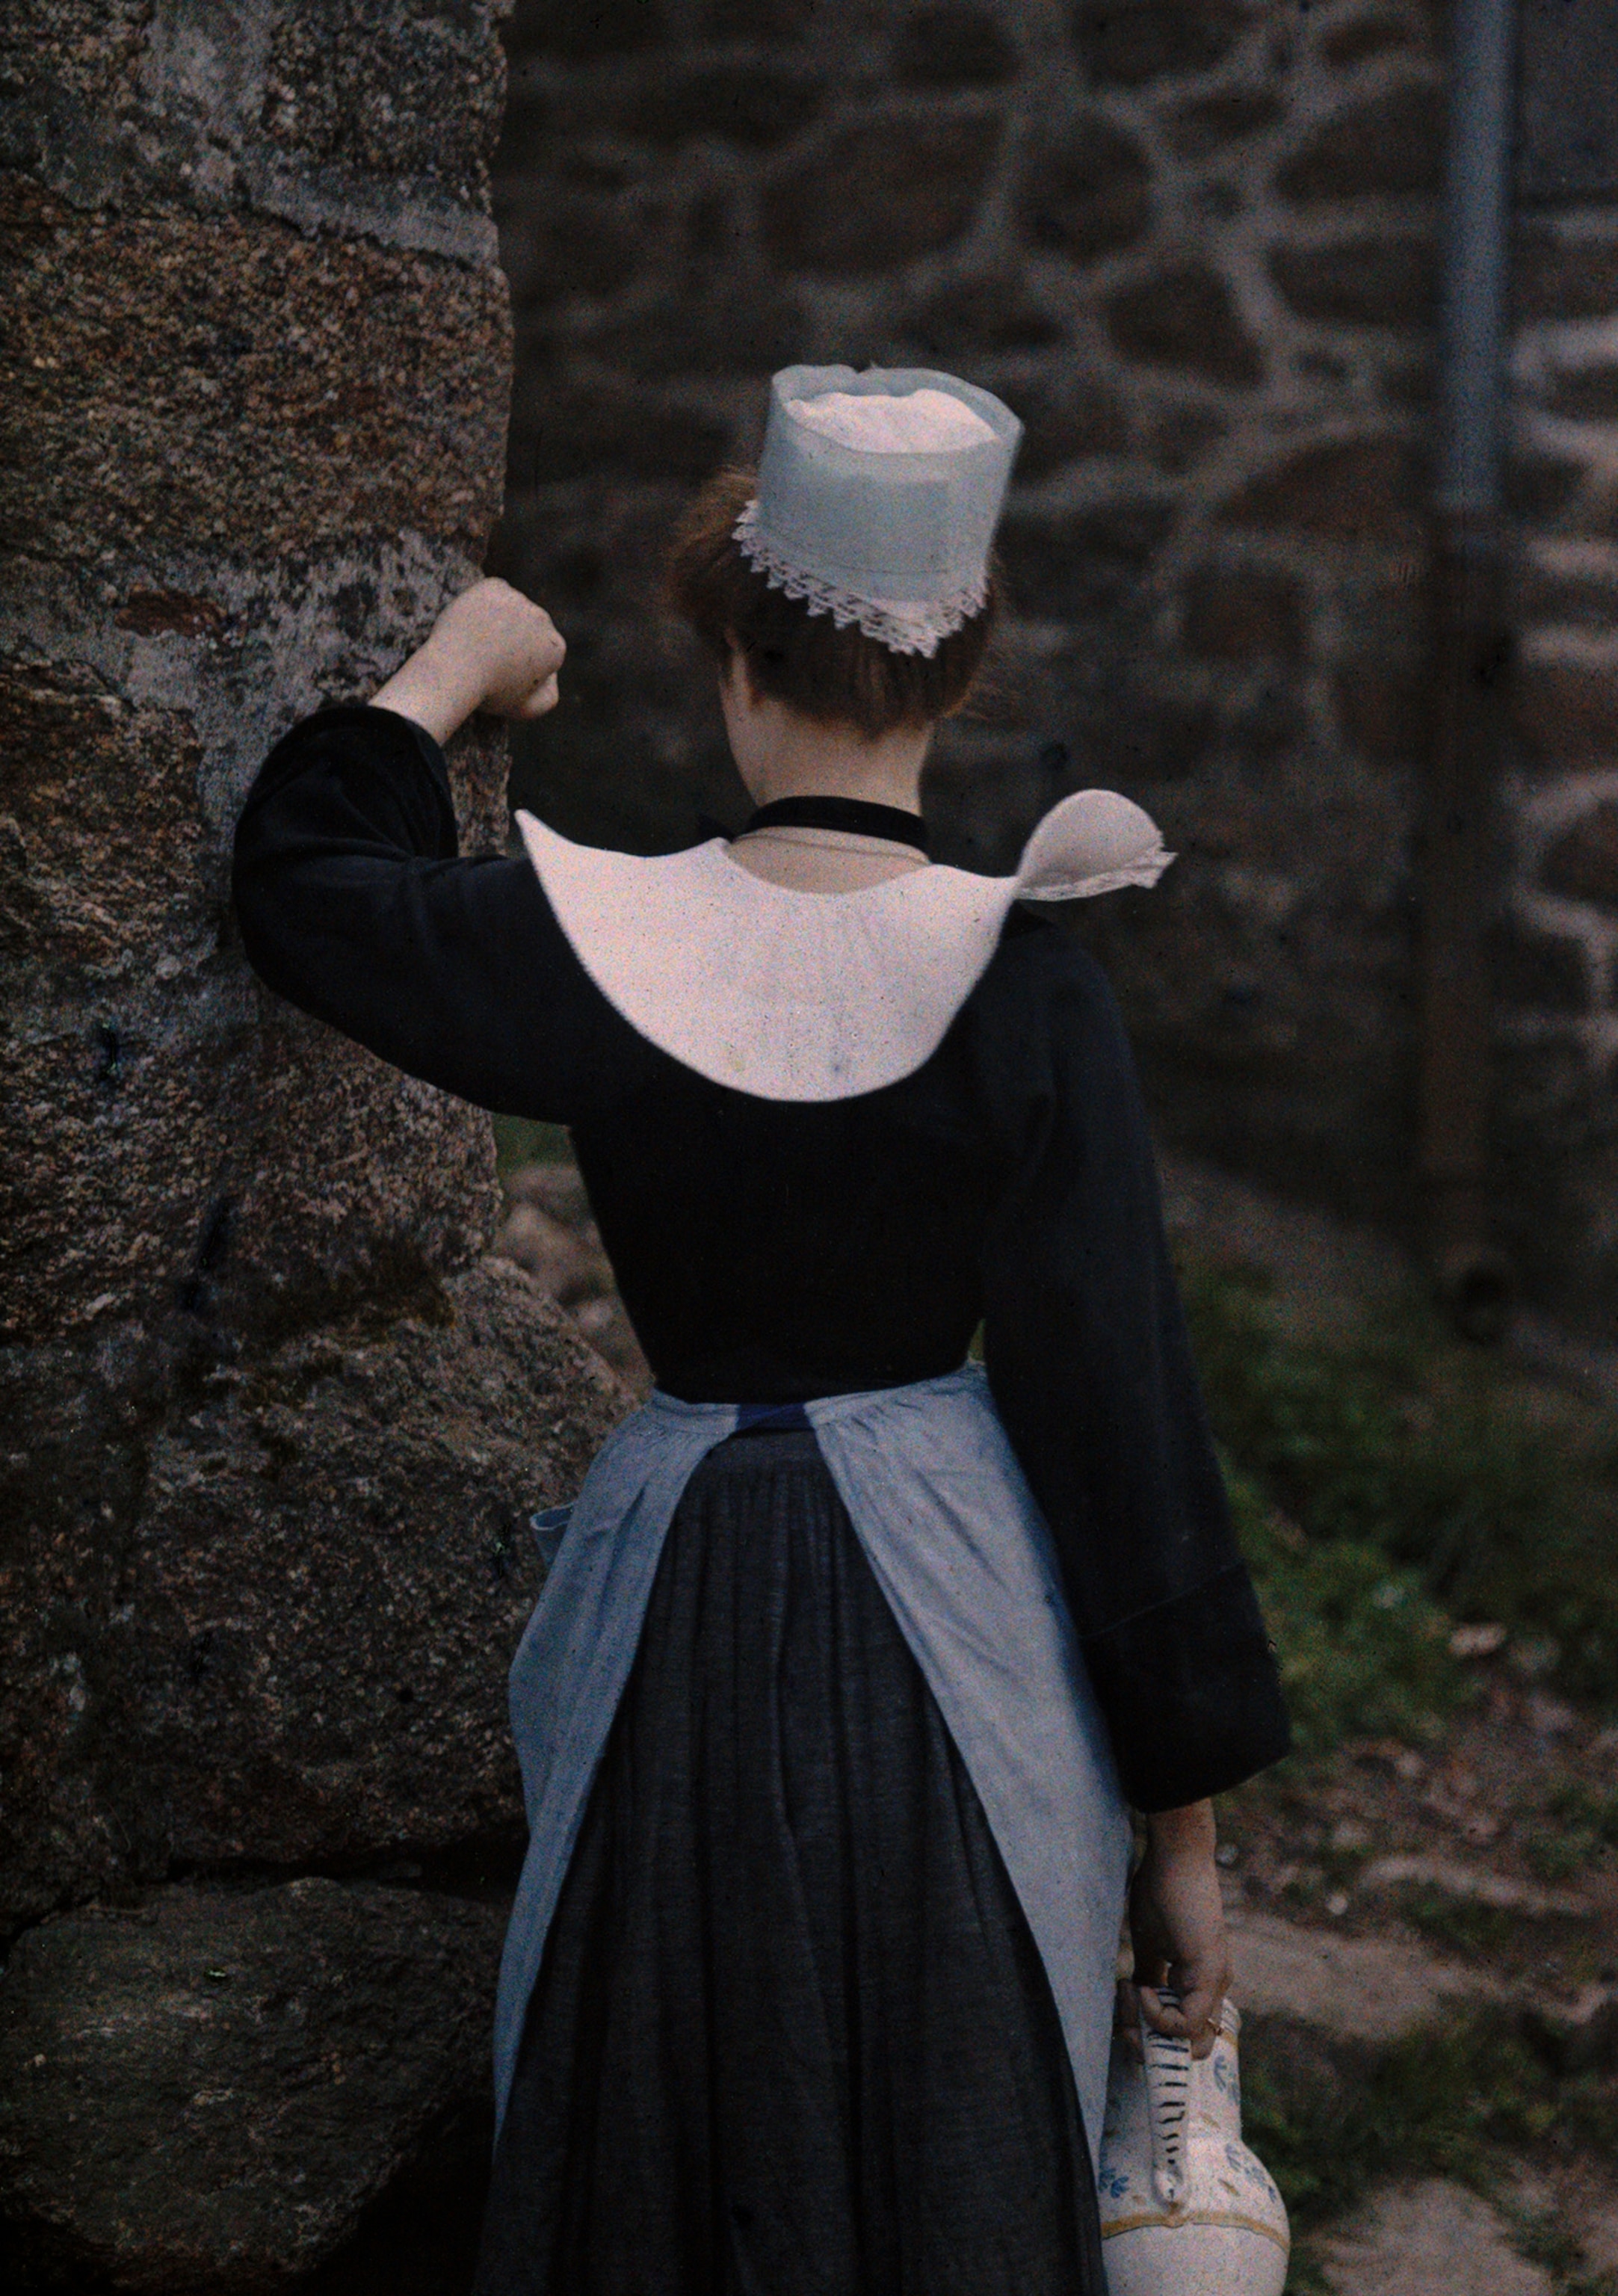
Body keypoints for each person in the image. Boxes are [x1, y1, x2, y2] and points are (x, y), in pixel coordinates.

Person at [233, 365, 1290, 2296]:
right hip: (953, 1617)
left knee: (675, 2122)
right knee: (947, 2107)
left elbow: (311, 895)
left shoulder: (612, 948)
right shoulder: (1029, 987)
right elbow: (1120, 1425)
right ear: (962, 671)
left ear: (732, 658)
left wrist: (454, 665)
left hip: (683, 1596)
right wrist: (1187, 1848)